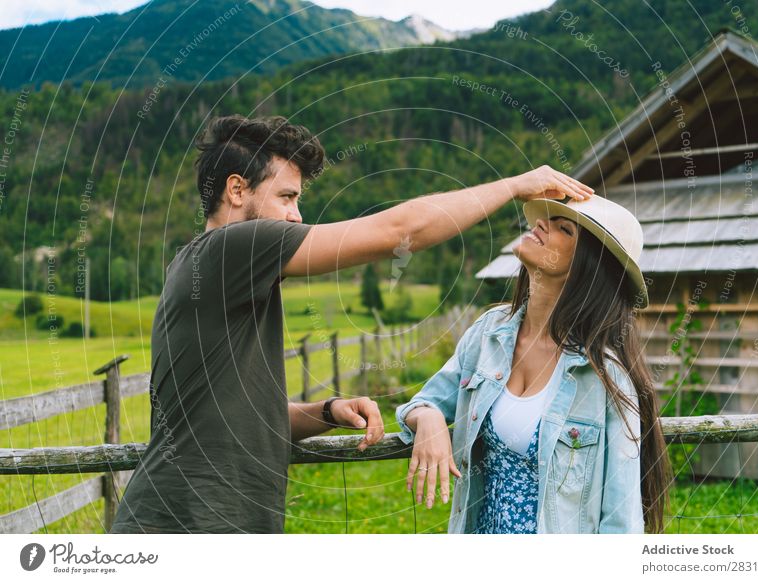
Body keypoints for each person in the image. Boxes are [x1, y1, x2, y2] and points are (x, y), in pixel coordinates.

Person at [110, 114, 594, 533]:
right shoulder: (231, 249)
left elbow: (235, 421)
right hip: (187, 526)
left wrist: (326, 411)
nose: (296, 216)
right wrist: (515, 185)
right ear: (237, 190)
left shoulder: (204, 268)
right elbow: (401, 233)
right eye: (286, 197)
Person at [396, 195, 673, 534]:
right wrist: (428, 418)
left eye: (564, 228)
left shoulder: (605, 377)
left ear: (587, 265)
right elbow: (422, 403)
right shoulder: (488, 334)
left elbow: (621, 520)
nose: (541, 224)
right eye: (546, 219)